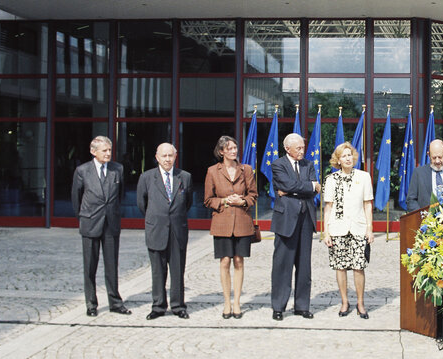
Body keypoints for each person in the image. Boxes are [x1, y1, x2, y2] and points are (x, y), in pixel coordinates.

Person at [71, 136, 130, 317]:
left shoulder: (117, 169)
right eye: (104, 150)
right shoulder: (82, 171)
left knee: (112, 265)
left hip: (111, 224)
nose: (108, 154)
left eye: (109, 150)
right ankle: (91, 303)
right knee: (90, 265)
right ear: (93, 151)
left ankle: (115, 302)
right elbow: (76, 198)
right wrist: (85, 217)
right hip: (90, 222)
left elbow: (120, 195)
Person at [137, 143, 193, 320]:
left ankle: (178, 306)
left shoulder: (185, 177)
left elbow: (188, 203)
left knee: (177, 270)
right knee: (157, 271)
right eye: (164, 156)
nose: (168, 159)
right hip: (156, 230)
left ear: (175, 156)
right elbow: (142, 203)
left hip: (178, 231)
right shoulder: (146, 178)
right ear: (157, 157)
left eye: (171, 155)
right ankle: (158, 306)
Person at [204, 136, 257, 319]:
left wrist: (242, 201)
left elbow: (253, 195)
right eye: (230, 148)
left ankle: (237, 303)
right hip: (222, 223)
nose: (234, 151)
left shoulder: (246, 170)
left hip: (242, 222)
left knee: (239, 261)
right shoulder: (212, 171)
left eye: (235, 148)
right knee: (225, 261)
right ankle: (226, 302)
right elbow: (208, 199)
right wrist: (225, 201)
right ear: (222, 152)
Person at [270, 133, 321, 321]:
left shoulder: (308, 164)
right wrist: (308, 186)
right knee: (282, 264)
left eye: (303, 147)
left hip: (306, 218)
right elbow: (287, 183)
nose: (302, 150)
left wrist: (294, 189)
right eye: (298, 148)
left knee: (304, 265)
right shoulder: (278, 165)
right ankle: (278, 306)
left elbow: (313, 187)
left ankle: (302, 305)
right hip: (286, 220)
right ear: (287, 148)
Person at [322, 142, 375, 319]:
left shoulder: (364, 176)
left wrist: (370, 228)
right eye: (344, 156)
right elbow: (327, 207)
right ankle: (344, 302)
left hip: (359, 228)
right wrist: (326, 232)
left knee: (359, 267)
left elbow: (368, 204)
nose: (348, 158)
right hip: (337, 228)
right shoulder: (331, 179)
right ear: (338, 159)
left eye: (350, 154)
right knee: (340, 266)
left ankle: (360, 303)